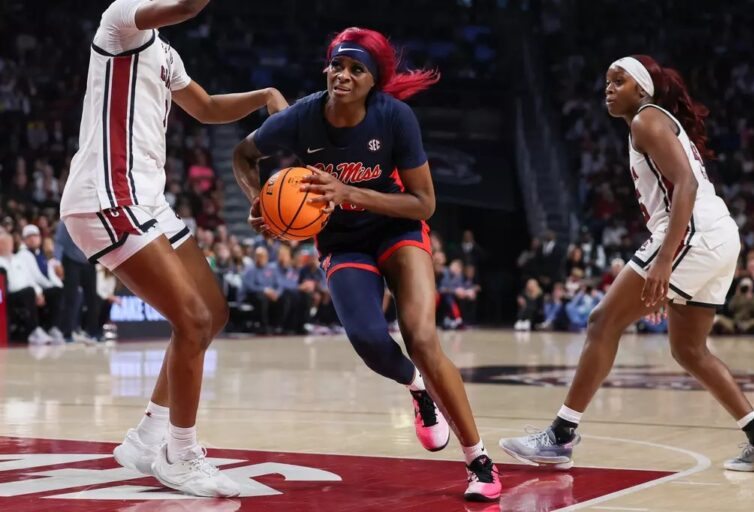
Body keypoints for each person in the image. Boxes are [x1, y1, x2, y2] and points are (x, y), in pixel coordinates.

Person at [232, 27, 501, 501]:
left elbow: (424, 205)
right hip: (342, 241)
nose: (344, 75)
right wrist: (259, 201)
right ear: (326, 68)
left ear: (374, 80)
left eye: (357, 69)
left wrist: (348, 193)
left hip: (396, 227)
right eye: (338, 65)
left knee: (420, 337)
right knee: (370, 341)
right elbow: (243, 153)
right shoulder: (301, 118)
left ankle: (478, 460)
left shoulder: (395, 118)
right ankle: (418, 390)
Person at [59, 0, 288, 497]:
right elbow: (185, 7)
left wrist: (265, 94)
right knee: (194, 322)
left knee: (213, 311)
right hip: (106, 195)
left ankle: (148, 437)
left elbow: (205, 108)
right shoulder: (120, 20)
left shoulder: (165, 52)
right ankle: (180, 455)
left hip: (146, 200)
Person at [500, 55, 754, 472]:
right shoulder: (650, 122)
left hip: (693, 234)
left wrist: (664, 262)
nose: (608, 88)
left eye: (618, 80)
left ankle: (559, 436)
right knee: (689, 349)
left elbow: (688, 184)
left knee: (602, 322)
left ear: (642, 89)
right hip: (718, 236)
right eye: (606, 81)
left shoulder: (646, 118)